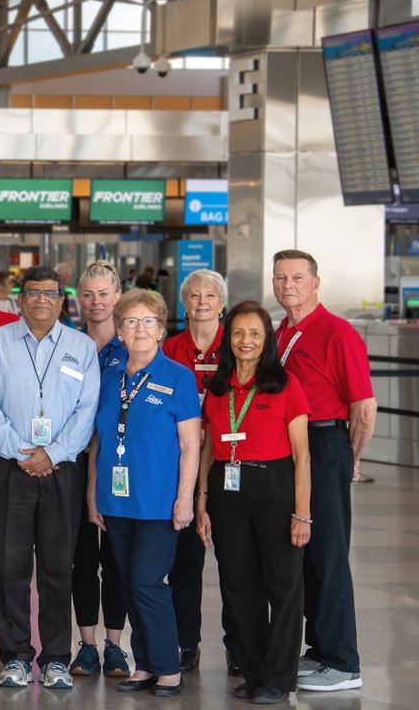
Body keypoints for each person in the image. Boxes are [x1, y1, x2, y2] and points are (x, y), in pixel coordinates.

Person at [0, 265, 99, 690]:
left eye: (49, 293)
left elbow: (86, 411)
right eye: (32, 293)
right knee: (10, 566)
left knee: (59, 567)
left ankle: (57, 658)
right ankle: (16, 657)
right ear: (20, 299)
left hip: (63, 471)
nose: (41, 300)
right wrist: (24, 453)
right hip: (11, 470)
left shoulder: (81, 348)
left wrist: (53, 453)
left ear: (62, 301)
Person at [195, 301, 312, 705]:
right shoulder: (218, 388)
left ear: (268, 340)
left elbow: (302, 456)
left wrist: (302, 513)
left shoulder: (284, 384)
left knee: (283, 586)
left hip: (274, 488)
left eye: (255, 334)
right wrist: (202, 500)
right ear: (228, 339)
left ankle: (279, 678)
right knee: (238, 586)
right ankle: (255, 670)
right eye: (239, 333)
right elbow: (208, 448)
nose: (246, 341)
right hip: (227, 491)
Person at [87, 288, 199, 697]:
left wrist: (185, 498)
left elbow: (190, 444)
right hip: (117, 500)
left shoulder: (179, 377)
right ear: (118, 330)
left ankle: (169, 666)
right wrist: (92, 495)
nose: (139, 329)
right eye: (130, 322)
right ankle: (145, 664)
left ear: (161, 329)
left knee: (146, 581)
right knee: (128, 581)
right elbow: (98, 440)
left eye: (147, 321)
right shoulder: (109, 377)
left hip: (158, 502)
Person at [272, 249, 375, 692]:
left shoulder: (337, 332)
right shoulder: (282, 331)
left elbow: (363, 408)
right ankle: (318, 649)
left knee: (330, 553)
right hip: (291, 444)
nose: (288, 285)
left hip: (325, 440)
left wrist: (347, 458)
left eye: (297, 277)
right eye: (280, 278)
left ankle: (343, 661)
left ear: (316, 282)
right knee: (306, 551)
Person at [161, 269, 240, 674]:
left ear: (221, 303)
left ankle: (239, 645)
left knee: (236, 561)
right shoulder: (170, 348)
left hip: (231, 465)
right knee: (185, 562)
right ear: (183, 303)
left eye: (210, 295)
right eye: (194, 295)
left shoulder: (241, 346)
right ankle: (185, 642)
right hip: (184, 466)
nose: (202, 302)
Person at [68, 261, 130, 678]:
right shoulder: (69, 346)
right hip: (73, 465)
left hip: (119, 467)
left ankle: (115, 646)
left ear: (118, 295)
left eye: (104, 294)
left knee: (118, 558)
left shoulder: (133, 347)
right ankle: (87, 646)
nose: (96, 302)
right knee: (81, 558)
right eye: (87, 295)